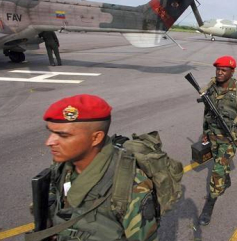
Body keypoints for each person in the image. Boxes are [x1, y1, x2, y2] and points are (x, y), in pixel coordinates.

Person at [39, 94, 158, 240]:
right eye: (51, 132)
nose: (49, 142)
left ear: (96, 138)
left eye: (63, 135)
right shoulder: (62, 165)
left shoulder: (129, 187)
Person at [199, 56, 237, 226]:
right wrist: (204, 132)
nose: (219, 73)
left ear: (232, 72)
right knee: (220, 165)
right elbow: (207, 112)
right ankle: (226, 178)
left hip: (228, 140)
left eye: (224, 70)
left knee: (217, 172)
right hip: (212, 136)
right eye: (218, 69)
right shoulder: (211, 88)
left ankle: (209, 205)